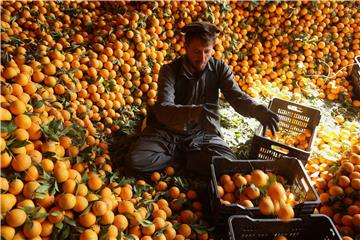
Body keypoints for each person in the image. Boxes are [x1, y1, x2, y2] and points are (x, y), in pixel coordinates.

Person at [125, 22, 279, 176]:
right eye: (196, 52)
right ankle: (189, 157)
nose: (202, 58)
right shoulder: (169, 70)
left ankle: (179, 157)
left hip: (202, 133)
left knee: (227, 162)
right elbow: (164, 109)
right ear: (186, 47)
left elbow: (237, 97)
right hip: (166, 131)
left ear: (213, 48)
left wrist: (256, 109)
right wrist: (195, 112)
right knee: (136, 159)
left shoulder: (219, 68)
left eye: (207, 51)